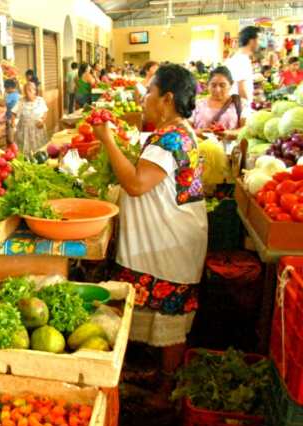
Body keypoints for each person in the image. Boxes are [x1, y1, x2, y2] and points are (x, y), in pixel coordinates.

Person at [92, 64, 207, 406]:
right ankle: (162, 379)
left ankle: (168, 391)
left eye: (148, 93)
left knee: (169, 315)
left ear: (167, 99)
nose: (143, 100)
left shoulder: (169, 137)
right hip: (174, 233)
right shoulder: (182, 131)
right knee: (164, 310)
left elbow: (136, 184)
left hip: (169, 239)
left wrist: (108, 140)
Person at [192, 66, 244, 131]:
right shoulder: (197, 104)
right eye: (213, 85)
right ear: (208, 85)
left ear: (231, 85)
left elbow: (246, 129)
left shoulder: (240, 104)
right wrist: (201, 132)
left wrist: (228, 134)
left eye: (222, 85)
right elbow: (187, 127)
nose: (217, 90)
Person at [225, 26, 260, 108]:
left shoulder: (240, 57)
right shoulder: (242, 60)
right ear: (252, 41)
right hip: (240, 108)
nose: (260, 43)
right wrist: (248, 108)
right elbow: (241, 89)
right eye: (259, 39)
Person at [11, 81, 48, 155]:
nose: (28, 93)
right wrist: (13, 122)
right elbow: (14, 112)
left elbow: (45, 112)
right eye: (26, 90)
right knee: (23, 151)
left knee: (39, 150)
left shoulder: (40, 100)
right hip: (24, 130)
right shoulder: (21, 101)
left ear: (35, 90)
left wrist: (43, 121)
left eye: (30, 90)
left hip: (38, 129)